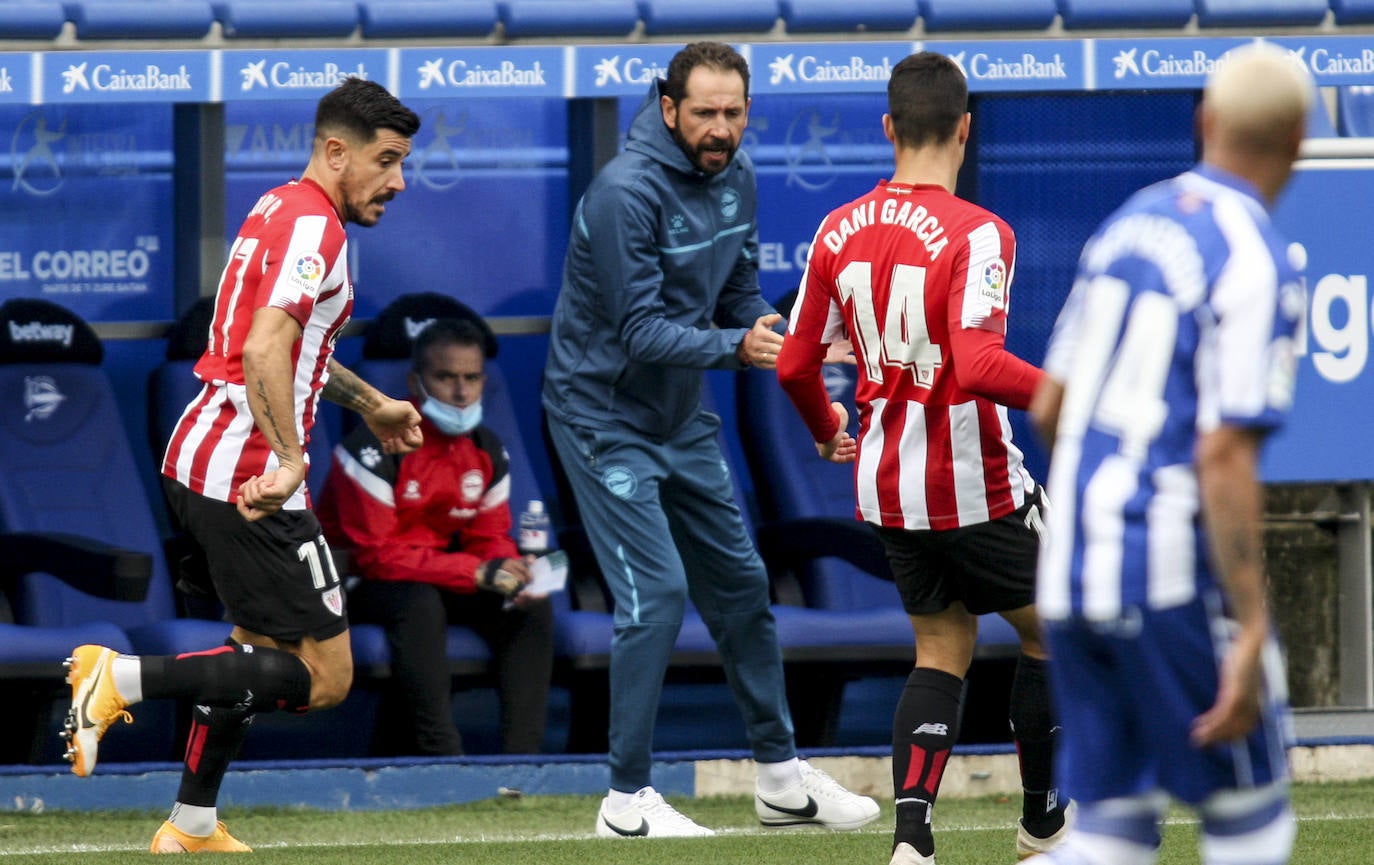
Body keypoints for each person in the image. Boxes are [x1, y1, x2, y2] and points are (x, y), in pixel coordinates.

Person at [60, 77, 423, 853]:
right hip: (249, 476)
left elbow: (296, 350)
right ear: (336, 152)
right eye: (386, 160)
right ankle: (117, 681)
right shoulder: (317, 228)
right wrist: (291, 460)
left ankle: (192, 821)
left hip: (205, 459)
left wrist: (372, 406)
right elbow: (263, 348)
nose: (398, 180)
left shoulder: (279, 206)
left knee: (254, 651)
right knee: (325, 676)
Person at [542, 40, 879, 837]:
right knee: (655, 595)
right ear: (669, 109)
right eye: (704, 113)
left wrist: (774, 331)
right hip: (601, 417)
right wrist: (739, 347)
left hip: (680, 419)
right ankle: (625, 800)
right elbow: (642, 331)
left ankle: (781, 781)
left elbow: (735, 294)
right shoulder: (625, 192)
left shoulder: (739, 177)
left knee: (742, 587)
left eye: (733, 112)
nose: (720, 128)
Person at [776, 51, 1071, 865]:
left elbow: (796, 363)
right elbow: (977, 365)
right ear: (965, 130)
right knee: (1059, 633)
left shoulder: (837, 228)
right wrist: (1068, 397)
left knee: (940, 650)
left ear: (887, 128)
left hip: (887, 488)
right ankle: (1044, 824)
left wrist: (824, 423)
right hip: (973, 484)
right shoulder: (982, 232)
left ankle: (912, 840)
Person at [1022, 42, 1309, 865]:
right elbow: (1223, 454)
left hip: (1073, 574)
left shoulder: (1130, 222)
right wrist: (1253, 624)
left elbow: (1051, 406)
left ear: (1204, 121)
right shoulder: (1255, 256)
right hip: (1168, 574)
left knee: (1112, 829)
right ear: (1297, 140)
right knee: (1251, 819)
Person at [317, 317, 555, 756]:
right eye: (446, 378)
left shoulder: (487, 449)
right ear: (416, 381)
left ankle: (523, 765)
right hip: (356, 584)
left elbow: (489, 538)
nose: (461, 392)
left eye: (472, 378)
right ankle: (441, 755)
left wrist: (507, 572)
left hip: (440, 576)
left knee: (527, 609)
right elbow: (377, 557)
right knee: (417, 602)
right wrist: (477, 570)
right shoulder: (371, 447)